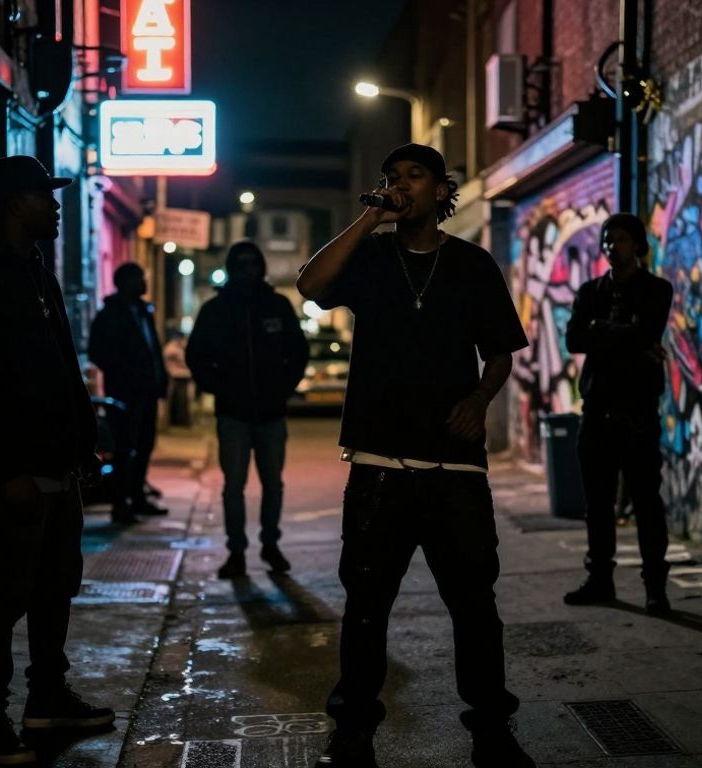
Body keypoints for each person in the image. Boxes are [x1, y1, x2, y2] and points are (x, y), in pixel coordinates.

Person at [297, 144, 535, 768]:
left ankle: (491, 729)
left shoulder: (472, 264)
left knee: (474, 606)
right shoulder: (371, 257)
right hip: (379, 466)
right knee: (368, 606)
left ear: (440, 190)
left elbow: (502, 351)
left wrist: (481, 399)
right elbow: (312, 285)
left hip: (454, 468)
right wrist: (369, 219)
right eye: (391, 177)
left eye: (413, 176)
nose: (399, 184)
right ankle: (353, 731)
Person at [0, 155, 114, 766]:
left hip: (55, 464)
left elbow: (58, 369)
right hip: (13, 469)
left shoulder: (34, 272)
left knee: (54, 588)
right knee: (5, 596)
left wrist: (80, 444)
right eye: (46, 195)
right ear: (16, 204)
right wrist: (8, 469)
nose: (56, 204)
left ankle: (47, 699)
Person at [562, 213, 673, 614]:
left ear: (637, 245)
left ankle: (655, 587)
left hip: (638, 410)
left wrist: (601, 330)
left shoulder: (657, 289)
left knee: (646, 501)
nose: (613, 246)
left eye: (621, 239)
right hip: (597, 409)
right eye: (608, 240)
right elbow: (575, 339)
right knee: (597, 503)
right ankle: (600, 579)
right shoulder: (590, 290)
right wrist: (625, 334)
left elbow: (647, 333)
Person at [186, 241, 309, 579]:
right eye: (240, 264)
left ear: (261, 267)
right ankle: (236, 551)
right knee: (233, 486)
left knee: (273, 484)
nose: (247, 270)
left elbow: (298, 352)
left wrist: (283, 387)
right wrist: (219, 387)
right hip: (233, 415)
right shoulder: (216, 310)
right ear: (231, 267)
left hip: (271, 414)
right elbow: (196, 356)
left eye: (252, 263)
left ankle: (270, 544)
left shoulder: (277, 305)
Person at [88, 262, 170, 523]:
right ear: (127, 282)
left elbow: (152, 350)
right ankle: (120, 504)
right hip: (125, 395)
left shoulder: (143, 312)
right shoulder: (111, 313)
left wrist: (159, 381)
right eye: (140, 279)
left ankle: (137, 498)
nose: (145, 283)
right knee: (126, 448)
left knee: (144, 445)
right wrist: (125, 373)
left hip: (147, 392)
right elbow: (97, 351)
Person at [162, 329, 193, 427]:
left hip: (181, 376)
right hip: (177, 376)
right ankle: (179, 421)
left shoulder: (177, 347)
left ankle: (180, 421)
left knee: (181, 401)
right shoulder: (173, 347)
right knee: (179, 401)